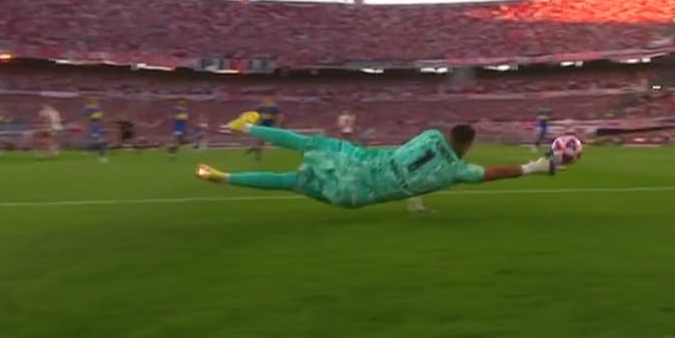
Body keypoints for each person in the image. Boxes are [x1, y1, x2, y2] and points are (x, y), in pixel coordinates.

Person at [197, 113, 561, 211]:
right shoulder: (458, 171)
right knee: (289, 182)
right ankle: (225, 177)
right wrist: (535, 167)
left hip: (358, 162)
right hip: (354, 196)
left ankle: (246, 130)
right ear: (467, 145)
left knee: (305, 143)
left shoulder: (431, 135)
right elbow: (492, 173)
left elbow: (424, 151)